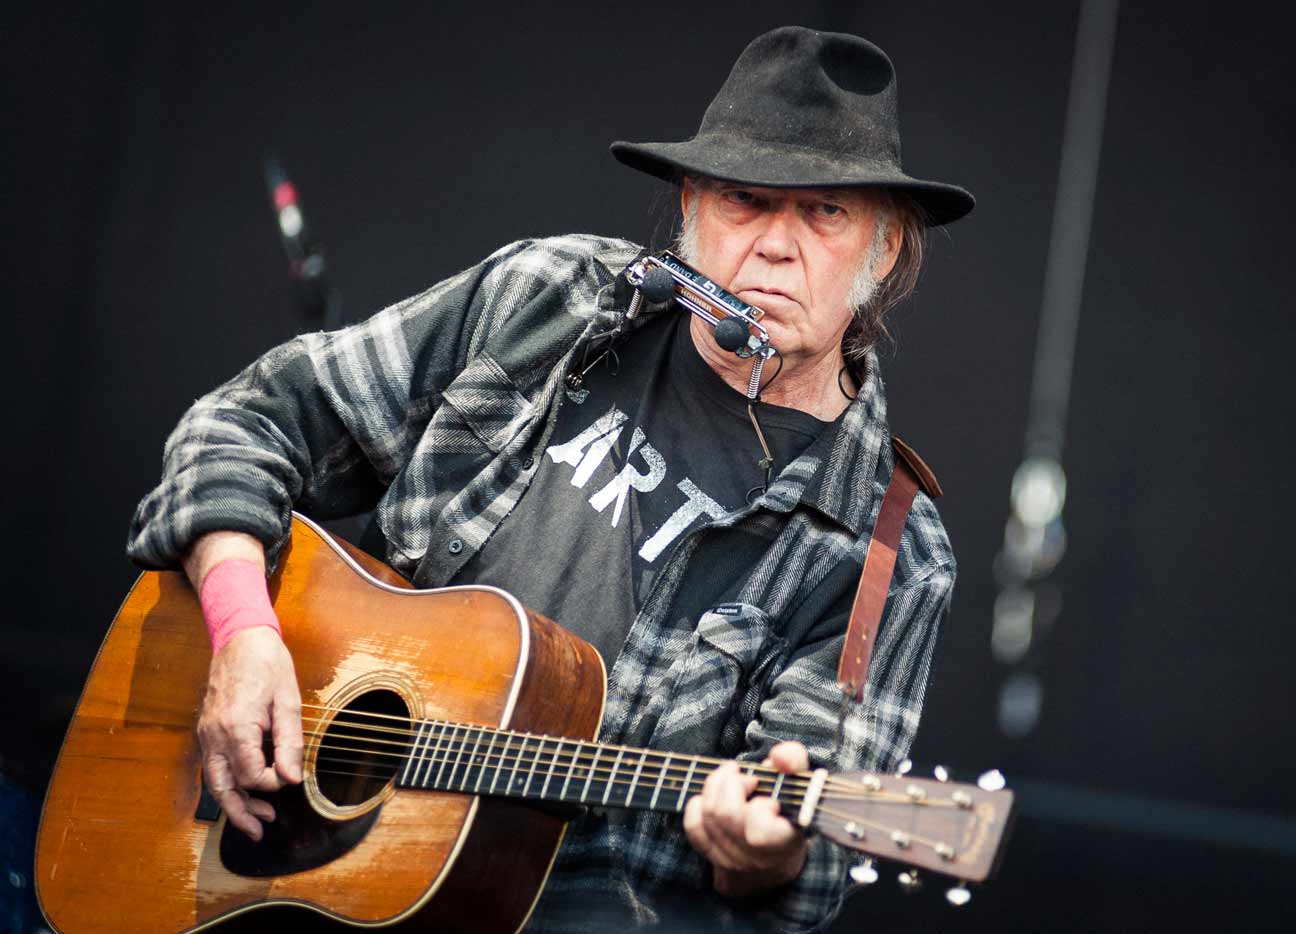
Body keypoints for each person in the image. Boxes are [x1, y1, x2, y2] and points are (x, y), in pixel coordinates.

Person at [127, 25, 972, 932]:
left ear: (886, 249)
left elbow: (807, 868)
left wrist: (770, 849)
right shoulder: (553, 298)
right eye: (745, 200)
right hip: (300, 876)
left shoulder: (888, 553)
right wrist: (243, 633)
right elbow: (247, 423)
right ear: (691, 205)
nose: (775, 245)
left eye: (825, 213)